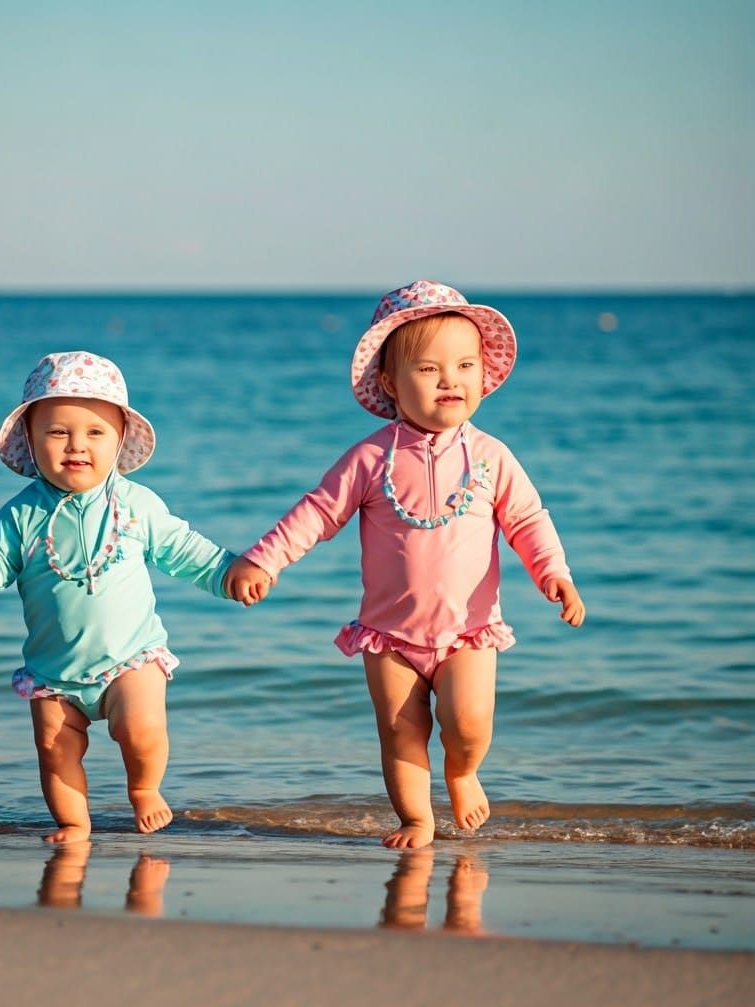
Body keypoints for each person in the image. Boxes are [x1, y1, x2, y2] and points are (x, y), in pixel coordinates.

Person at [225, 281, 585, 849]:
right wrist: (263, 561)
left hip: (469, 630)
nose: (451, 380)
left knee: (468, 724)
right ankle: (416, 820)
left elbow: (528, 519)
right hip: (389, 635)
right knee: (401, 732)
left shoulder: (491, 456)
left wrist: (553, 574)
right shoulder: (370, 457)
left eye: (466, 365)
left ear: (483, 377)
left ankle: (462, 772)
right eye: (429, 368)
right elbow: (318, 514)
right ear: (391, 383)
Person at [0, 351, 238, 843]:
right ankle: (74, 826)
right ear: (32, 443)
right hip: (54, 674)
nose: (76, 445)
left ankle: (144, 790)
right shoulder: (21, 515)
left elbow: (185, 550)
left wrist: (229, 573)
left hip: (130, 658)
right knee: (54, 748)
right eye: (58, 433)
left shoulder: (136, 504)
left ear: (119, 440)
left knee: (141, 730)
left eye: (94, 433)